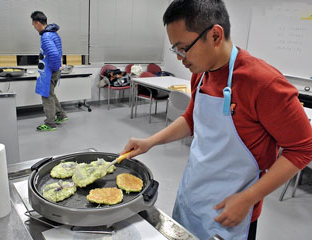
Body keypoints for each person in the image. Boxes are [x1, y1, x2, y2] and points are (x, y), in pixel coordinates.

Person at [121, 0, 312, 239]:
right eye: (175, 50)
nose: (180, 58)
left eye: (183, 48)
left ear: (215, 35)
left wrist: (248, 198)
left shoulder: (263, 83)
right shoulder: (200, 74)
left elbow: (302, 148)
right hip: (193, 193)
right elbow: (192, 118)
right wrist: (150, 141)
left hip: (233, 208)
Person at [31, 11, 68, 131]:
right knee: (51, 94)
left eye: (33, 24)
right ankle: (61, 115)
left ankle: (50, 123)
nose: (33, 27)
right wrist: (57, 67)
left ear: (37, 23)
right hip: (53, 70)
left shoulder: (46, 36)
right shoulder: (53, 34)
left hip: (50, 71)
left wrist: (55, 67)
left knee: (46, 96)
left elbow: (53, 53)